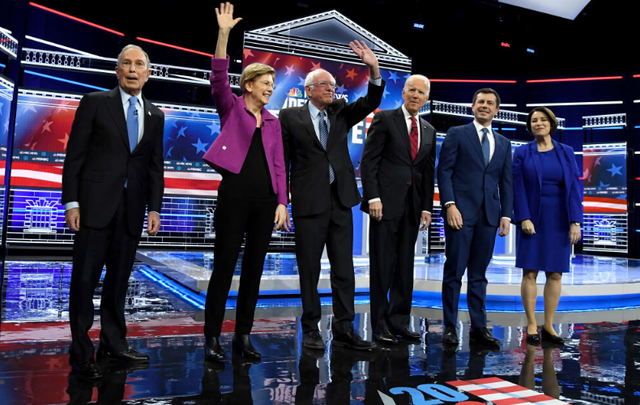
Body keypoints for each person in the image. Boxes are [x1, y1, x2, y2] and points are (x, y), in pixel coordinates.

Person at [62, 44, 164, 379]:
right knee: (84, 281)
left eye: (139, 65)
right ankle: (81, 351)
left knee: (119, 282)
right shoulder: (94, 103)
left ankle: (114, 344)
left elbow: (154, 168)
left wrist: (155, 208)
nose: (133, 69)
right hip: (93, 208)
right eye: (126, 64)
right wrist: (72, 202)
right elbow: (74, 156)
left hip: (132, 211)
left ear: (148, 74)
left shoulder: (155, 115)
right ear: (117, 71)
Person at [279, 41, 385, 351]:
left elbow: (371, 99)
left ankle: (344, 328)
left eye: (334, 86)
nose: (332, 89)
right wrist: (282, 201)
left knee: (344, 270)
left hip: (341, 202)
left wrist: (373, 68)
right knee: (309, 269)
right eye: (326, 85)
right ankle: (311, 328)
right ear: (309, 90)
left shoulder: (340, 111)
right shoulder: (290, 118)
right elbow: (281, 162)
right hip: (308, 204)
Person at [201, 2, 290, 362]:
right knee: (223, 267)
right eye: (266, 84)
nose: (270, 89)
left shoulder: (273, 122)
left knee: (254, 270)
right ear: (249, 84)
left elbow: (280, 165)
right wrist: (224, 34)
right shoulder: (232, 107)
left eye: (272, 85)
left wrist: (283, 202)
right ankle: (211, 339)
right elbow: (218, 78)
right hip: (234, 196)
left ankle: (243, 336)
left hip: (265, 202)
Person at [360, 74, 436, 345]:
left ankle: (400, 322)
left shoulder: (429, 130)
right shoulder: (384, 119)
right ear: (403, 93)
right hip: (385, 205)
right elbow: (369, 163)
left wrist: (427, 207)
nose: (415, 95)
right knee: (382, 266)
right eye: (411, 90)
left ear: (427, 98)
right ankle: (379, 326)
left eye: (421, 92)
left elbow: (427, 173)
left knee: (405, 267)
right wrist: (373, 198)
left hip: (413, 208)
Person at [437, 88, 513, 347]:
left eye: (490, 103)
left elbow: (506, 182)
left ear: (496, 110)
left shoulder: (503, 142)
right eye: (480, 101)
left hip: (489, 216)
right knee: (455, 271)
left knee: (479, 274)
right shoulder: (457, 134)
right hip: (460, 212)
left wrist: (506, 214)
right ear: (473, 106)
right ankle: (449, 326)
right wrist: (449, 205)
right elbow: (444, 171)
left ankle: (479, 328)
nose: (485, 106)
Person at [513, 107, 582, 347]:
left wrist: (575, 221)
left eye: (543, 120)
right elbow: (517, 187)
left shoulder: (567, 152)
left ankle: (549, 325)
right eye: (534, 120)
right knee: (529, 271)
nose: (538, 123)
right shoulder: (522, 153)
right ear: (529, 126)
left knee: (555, 272)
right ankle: (532, 324)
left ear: (551, 124)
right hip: (533, 217)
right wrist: (524, 217)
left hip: (559, 219)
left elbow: (574, 188)